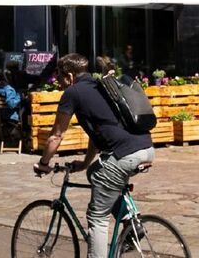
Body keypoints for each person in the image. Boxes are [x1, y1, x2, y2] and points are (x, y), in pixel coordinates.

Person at [33, 53, 155, 258]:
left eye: (60, 79)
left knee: (97, 217)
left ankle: (128, 225)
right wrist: (85, 163)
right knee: (95, 172)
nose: (59, 84)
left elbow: (56, 135)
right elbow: (97, 133)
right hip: (146, 147)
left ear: (69, 76)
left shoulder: (72, 93)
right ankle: (130, 222)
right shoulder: (100, 86)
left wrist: (44, 163)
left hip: (123, 154)